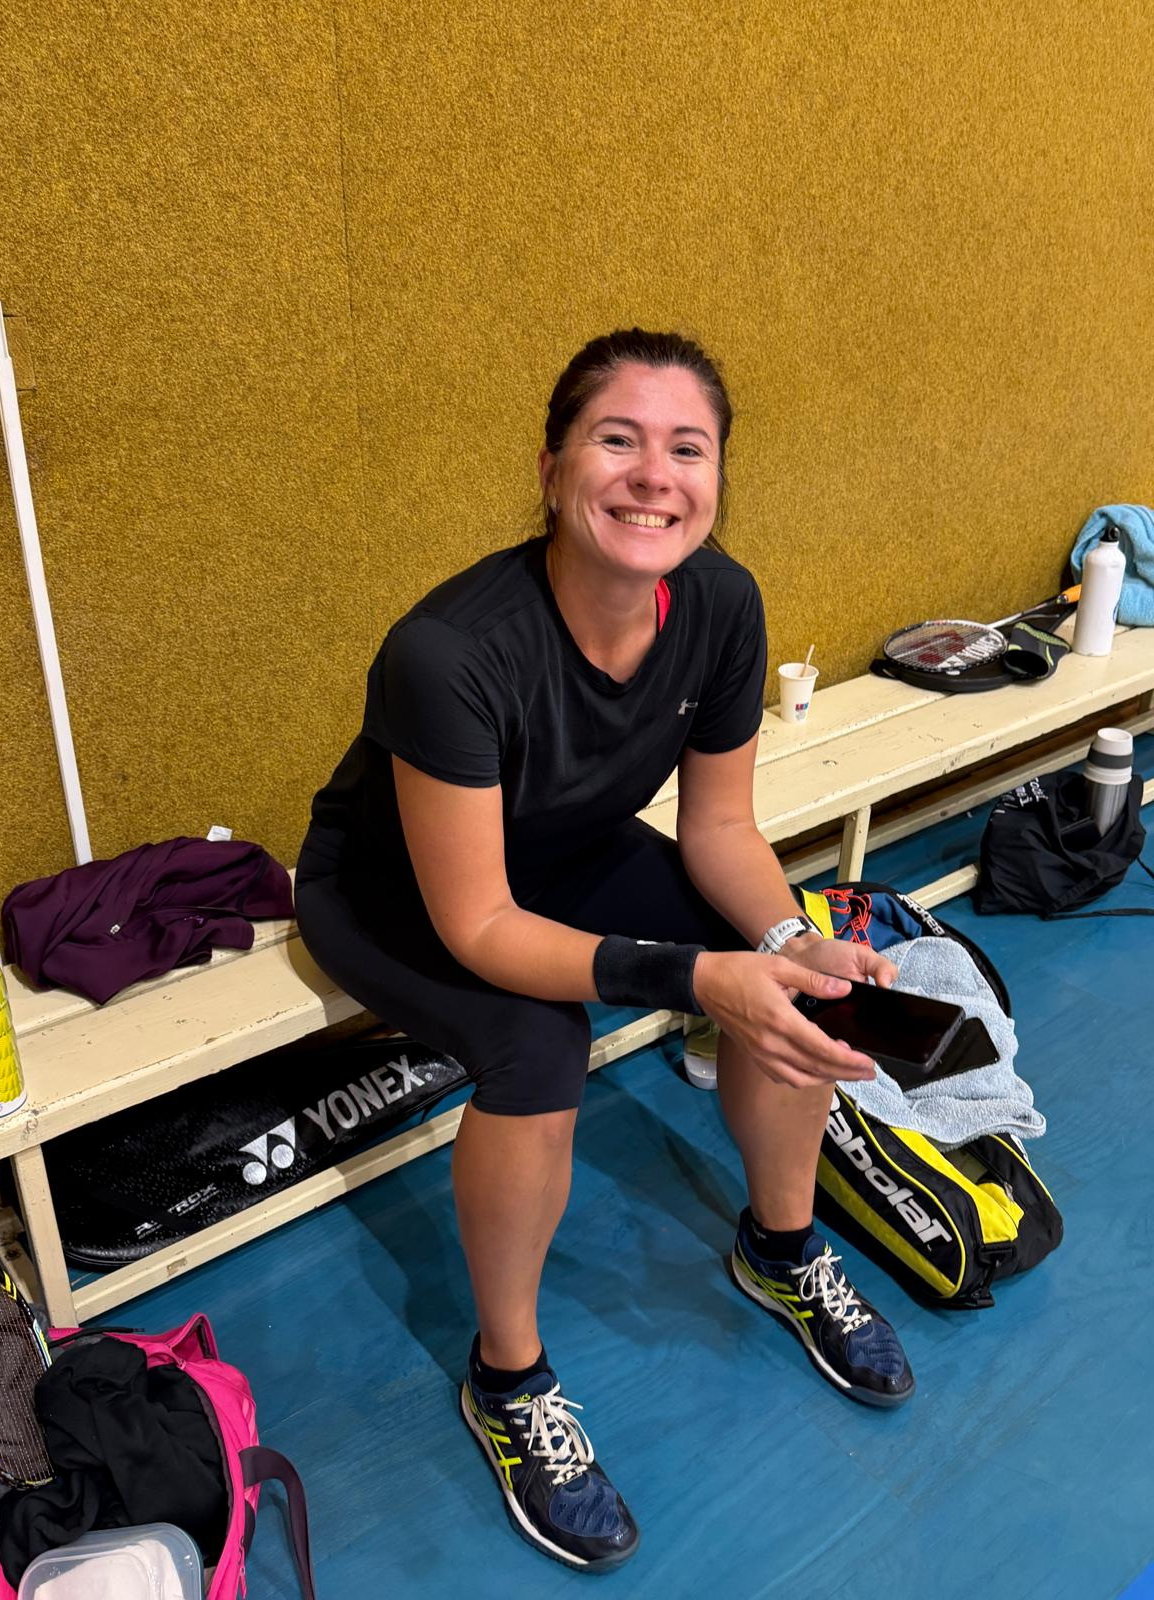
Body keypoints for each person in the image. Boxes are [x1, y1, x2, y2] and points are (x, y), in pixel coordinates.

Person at [295, 328, 914, 1575]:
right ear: (551, 468)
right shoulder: (449, 652)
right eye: (616, 440)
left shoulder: (722, 603)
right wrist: (691, 979)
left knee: (792, 971)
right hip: (399, 890)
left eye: (687, 448)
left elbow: (720, 829)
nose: (653, 476)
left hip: (563, 847)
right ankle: (506, 1377)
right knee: (538, 1044)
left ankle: (782, 1250)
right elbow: (480, 925)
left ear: (718, 476)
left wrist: (789, 938)